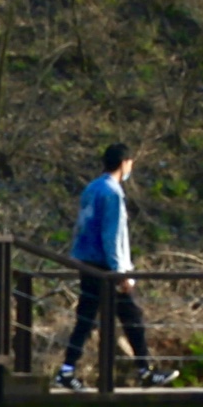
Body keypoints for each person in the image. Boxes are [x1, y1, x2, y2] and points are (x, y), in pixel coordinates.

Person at [54, 143, 177, 390]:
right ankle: (144, 371)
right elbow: (112, 235)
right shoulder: (112, 192)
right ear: (124, 163)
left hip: (88, 262)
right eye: (130, 162)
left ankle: (68, 370)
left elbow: (82, 226)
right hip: (106, 268)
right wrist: (120, 272)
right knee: (131, 317)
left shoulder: (92, 188)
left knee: (89, 318)